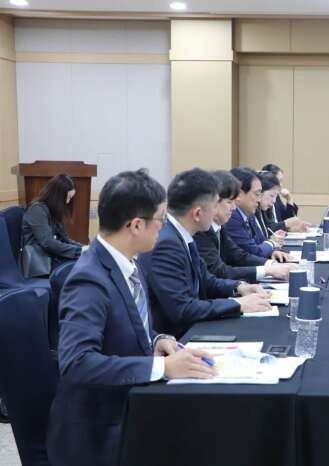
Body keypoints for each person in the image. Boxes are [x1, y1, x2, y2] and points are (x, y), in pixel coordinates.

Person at [47, 169, 218, 466]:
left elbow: (124, 326)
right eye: (160, 219)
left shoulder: (127, 263)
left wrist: (157, 339)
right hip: (99, 431)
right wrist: (162, 366)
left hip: (131, 404)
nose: (164, 226)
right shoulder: (89, 280)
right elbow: (77, 363)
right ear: (136, 225)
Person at [145, 168, 271, 337]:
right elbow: (183, 309)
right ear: (197, 214)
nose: (216, 212)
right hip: (178, 338)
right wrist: (238, 304)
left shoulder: (183, 235)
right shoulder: (167, 244)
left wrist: (239, 287)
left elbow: (207, 280)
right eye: (214, 206)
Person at [194, 171, 294, 282]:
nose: (234, 207)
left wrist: (271, 264)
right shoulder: (201, 231)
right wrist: (266, 270)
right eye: (229, 202)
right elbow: (218, 271)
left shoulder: (219, 226)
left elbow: (238, 255)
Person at [21, 174, 82, 276]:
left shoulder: (53, 211)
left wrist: (84, 248)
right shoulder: (37, 210)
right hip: (40, 264)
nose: (68, 202)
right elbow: (48, 243)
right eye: (67, 198)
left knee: (84, 266)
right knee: (80, 271)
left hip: (52, 258)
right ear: (57, 196)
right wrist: (79, 251)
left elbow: (65, 239)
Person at [225, 167, 285, 259]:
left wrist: (272, 252)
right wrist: (272, 244)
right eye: (257, 194)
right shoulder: (231, 217)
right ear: (239, 194)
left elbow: (261, 241)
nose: (259, 199)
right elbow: (254, 251)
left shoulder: (249, 213)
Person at [261, 163, 307, 227]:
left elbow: (287, 218)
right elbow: (268, 228)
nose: (281, 185)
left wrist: (289, 199)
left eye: (281, 181)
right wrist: (286, 224)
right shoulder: (263, 202)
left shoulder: (276, 198)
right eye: (278, 181)